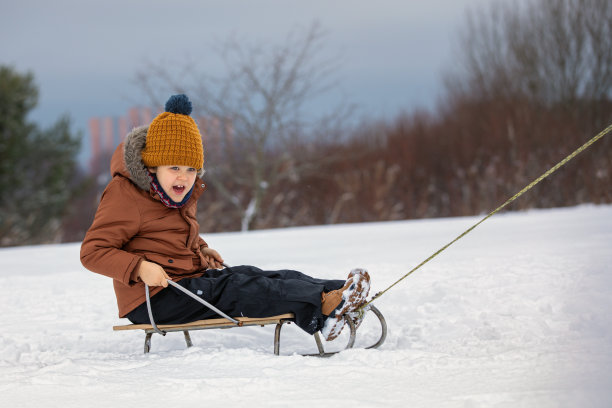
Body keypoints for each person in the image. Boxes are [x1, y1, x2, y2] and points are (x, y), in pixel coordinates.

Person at [80, 94, 370, 341]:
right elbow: (92, 252)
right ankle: (324, 310)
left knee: (250, 274)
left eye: (191, 169)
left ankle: (334, 291)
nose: (183, 176)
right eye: (174, 167)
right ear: (153, 167)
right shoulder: (127, 194)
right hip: (152, 298)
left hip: (186, 282)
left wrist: (200, 248)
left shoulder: (175, 192)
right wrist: (140, 267)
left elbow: (170, 233)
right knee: (239, 289)